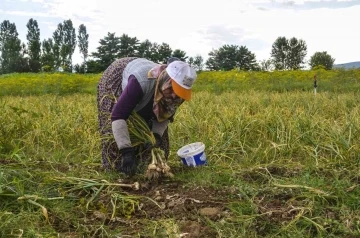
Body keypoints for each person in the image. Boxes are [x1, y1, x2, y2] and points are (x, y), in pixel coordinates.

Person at [96, 57, 197, 176]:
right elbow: (118, 116)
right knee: (113, 126)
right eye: (172, 89)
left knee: (158, 143)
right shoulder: (140, 81)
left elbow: (164, 116)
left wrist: (155, 135)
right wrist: (126, 151)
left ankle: (143, 167)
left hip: (145, 83)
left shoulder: (177, 96)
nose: (174, 96)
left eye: (179, 92)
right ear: (165, 79)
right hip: (119, 74)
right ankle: (117, 170)